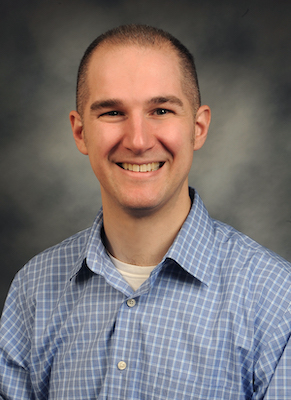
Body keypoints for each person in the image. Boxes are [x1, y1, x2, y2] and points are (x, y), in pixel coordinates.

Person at [0, 24, 290, 400]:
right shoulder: (34, 290)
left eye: (161, 110)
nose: (138, 140)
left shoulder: (277, 299)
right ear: (80, 132)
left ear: (198, 128)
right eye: (113, 112)